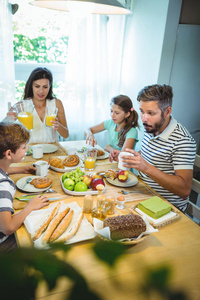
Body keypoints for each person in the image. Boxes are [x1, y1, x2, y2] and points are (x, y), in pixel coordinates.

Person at [120, 84, 197, 212]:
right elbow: (152, 155)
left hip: (166, 207)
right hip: (142, 193)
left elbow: (184, 190)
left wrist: (146, 167)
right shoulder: (152, 126)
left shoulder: (182, 141)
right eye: (142, 111)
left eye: (150, 113)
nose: (144, 118)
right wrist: (130, 157)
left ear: (167, 112)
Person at [0, 122, 49, 253]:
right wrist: (30, 207)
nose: (26, 149)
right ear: (9, 154)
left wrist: (23, 169)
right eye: (23, 147)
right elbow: (8, 227)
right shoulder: (3, 186)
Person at [6, 67, 69, 143]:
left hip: (53, 150)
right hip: (29, 151)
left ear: (50, 87)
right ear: (31, 86)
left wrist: (58, 126)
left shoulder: (57, 103)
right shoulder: (21, 106)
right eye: (37, 86)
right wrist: (9, 121)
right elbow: (6, 133)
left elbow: (66, 135)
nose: (41, 91)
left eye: (45, 87)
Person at [85, 95, 139, 162]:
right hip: (111, 163)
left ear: (127, 114)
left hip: (123, 168)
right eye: (111, 111)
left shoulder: (132, 131)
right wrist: (90, 134)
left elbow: (122, 157)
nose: (112, 115)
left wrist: (109, 148)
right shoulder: (110, 123)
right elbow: (87, 129)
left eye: (117, 113)